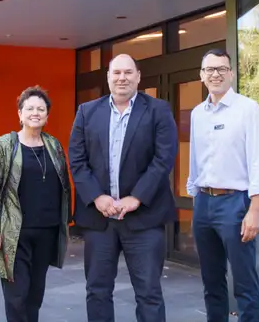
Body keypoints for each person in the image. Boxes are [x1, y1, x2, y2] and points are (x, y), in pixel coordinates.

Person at [68, 53, 178, 322]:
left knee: (149, 292)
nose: (122, 78)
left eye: (128, 72)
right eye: (116, 73)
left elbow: (163, 158)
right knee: (97, 291)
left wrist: (137, 197)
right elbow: (77, 159)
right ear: (108, 77)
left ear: (138, 77)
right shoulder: (86, 111)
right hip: (100, 219)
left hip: (143, 219)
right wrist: (96, 197)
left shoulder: (158, 110)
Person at [186, 49, 259, 322]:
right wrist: (195, 198)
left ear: (231, 73)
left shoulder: (248, 109)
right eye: (209, 69)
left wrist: (254, 209)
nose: (215, 74)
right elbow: (195, 159)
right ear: (201, 76)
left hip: (236, 203)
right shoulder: (198, 113)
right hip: (204, 202)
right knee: (212, 282)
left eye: (221, 68)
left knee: (245, 282)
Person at [0, 86, 72, 322]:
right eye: (29, 108)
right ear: (20, 114)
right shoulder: (4, 145)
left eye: (41, 109)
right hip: (14, 233)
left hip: (46, 232)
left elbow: (63, 185)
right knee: (16, 296)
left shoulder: (54, 145)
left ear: (47, 115)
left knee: (35, 295)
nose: (35, 112)